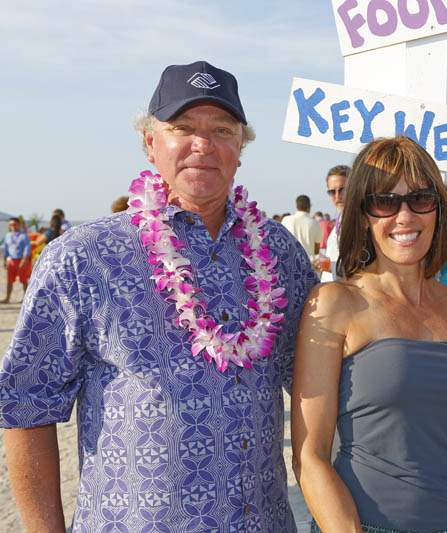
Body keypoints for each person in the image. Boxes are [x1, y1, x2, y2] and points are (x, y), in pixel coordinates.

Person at [0, 60, 316, 532]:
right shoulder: (83, 257)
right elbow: (25, 406)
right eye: (182, 127)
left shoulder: (282, 253)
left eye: (223, 129)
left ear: (240, 147)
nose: (202, 145)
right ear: (150, 143)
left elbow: (322, 383)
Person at [292, 136, 447, 532]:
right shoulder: (334, 304)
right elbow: (309, 454)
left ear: (439, 210)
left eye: (420, 199)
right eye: (384, 201)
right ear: (362, 214)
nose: (404, 216)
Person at [319, 164, 350, 282]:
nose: (337, 196)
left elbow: (361, 267)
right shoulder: (342, 218)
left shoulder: (360, 222)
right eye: (332, 192)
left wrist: (327, 265)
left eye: (342, 189)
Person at [282, 194, 323, 260]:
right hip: (308, 262)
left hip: (290, 260)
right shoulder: (315, 223)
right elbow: (316, 250)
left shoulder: (286, 220)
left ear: (296, 206)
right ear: (309, 206)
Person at [2, 217, 32, 303]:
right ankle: (7, 298)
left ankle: (25, 299)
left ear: (19, 225)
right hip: (11, 261)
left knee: (24, 280)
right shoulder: (7, 235)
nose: (13, 226)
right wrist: (5, 260)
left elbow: (27, 248)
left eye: (14, 224)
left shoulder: (24, 235)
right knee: (9, 280)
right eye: (11, 224)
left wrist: (24, 259)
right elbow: (6, 249)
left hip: (21, 260)